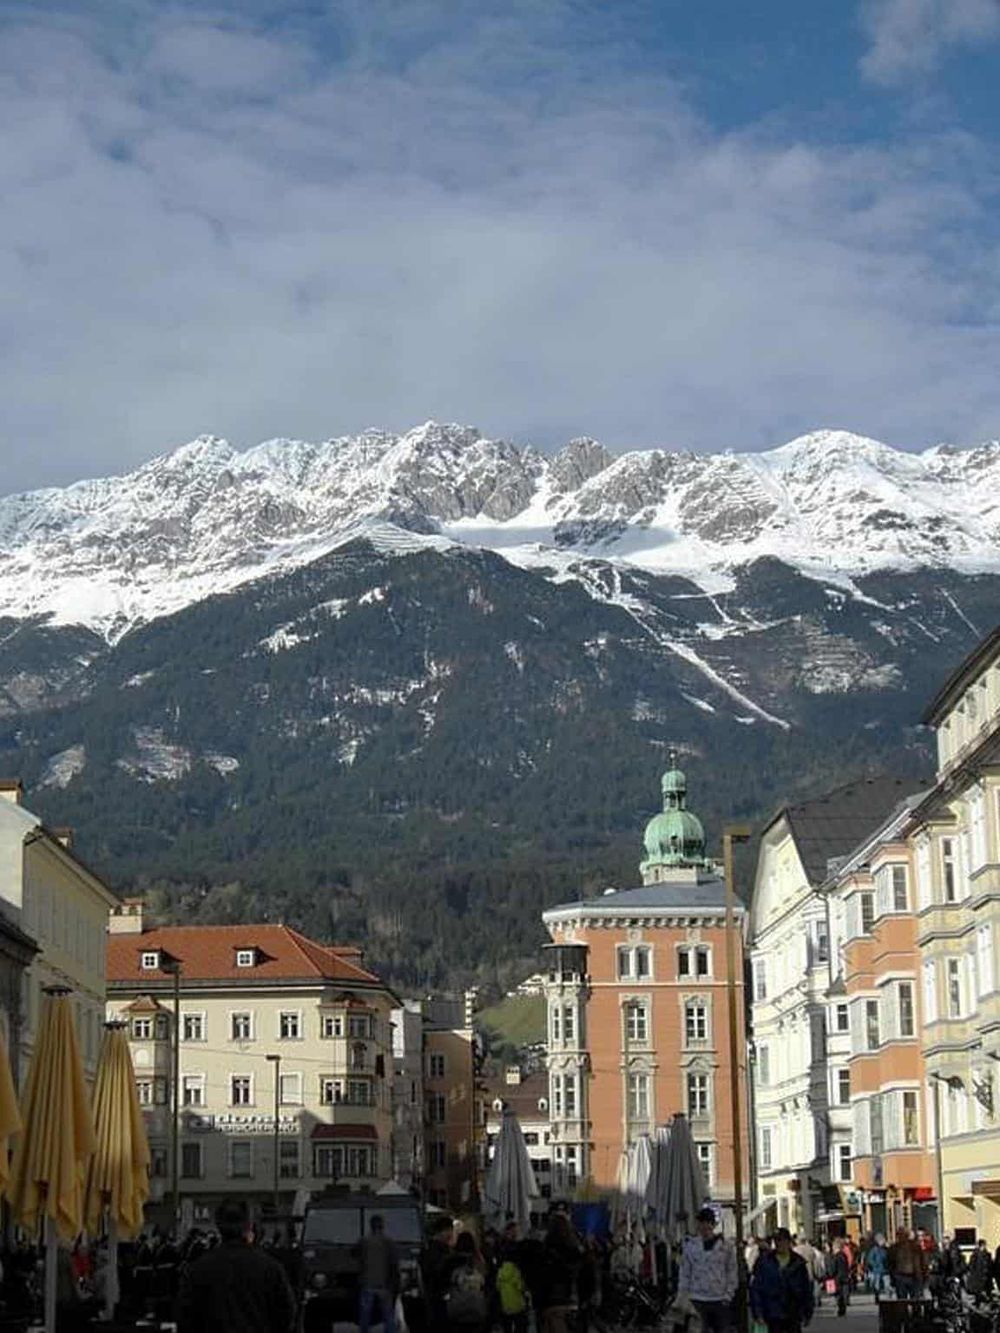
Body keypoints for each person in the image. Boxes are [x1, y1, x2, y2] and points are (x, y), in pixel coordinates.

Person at [176, 1200, 296, 1333]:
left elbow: (185, 1317)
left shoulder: (197, 1271)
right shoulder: (271, 1268)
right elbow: (286, 1313)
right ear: (249, 1227)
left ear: (218, 1226)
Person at [677, 1206, 737, 1333]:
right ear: (698, 1225)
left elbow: (732, 1271)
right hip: (697, 1299)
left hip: (720, 1299)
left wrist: (728, 1295)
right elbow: (685, 1272)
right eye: (702, 1223)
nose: (705, 1226)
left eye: (708, 1223)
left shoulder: (726, 1247)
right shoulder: (690, 1246)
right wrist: (684, 1295)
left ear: (713, 1225)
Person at [749, 1227, 814, 1333]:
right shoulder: (764, 1262)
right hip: (772, 1313)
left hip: (793, 1312)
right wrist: (758, 1313)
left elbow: (806, 1289)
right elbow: (756, 1288)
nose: (779, 1243)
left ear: (789, 1242)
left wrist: (807, 1312)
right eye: (777, 1240)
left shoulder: (798, 1262)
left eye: (782, 1240)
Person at [355, 1213, 400, 1333]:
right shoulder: (388, 1242)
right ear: (382, 1226)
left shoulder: (364, 1241)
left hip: (367, 1282)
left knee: (365, 1314)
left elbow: (354, 1254)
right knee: (388, 1315)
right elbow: (394, 1263)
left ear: (371, 1226)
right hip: (384, 1284)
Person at [538, 1212, 581, 1333]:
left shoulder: (546, 1248)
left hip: (551, 1300)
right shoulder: (575, 1247)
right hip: (572, 1297)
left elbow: (542, 1275)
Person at [447, 1230, 488, 1330]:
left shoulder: (451, 1261)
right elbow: (486, 1280)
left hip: (458, 1307)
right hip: (477, 1306)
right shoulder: (479, 1260)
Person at [421, 1216, 457, 1327]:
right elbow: (437, 1271)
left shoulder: (428, 1248)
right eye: (450, 1231)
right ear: (443, 1231)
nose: (451, 1235)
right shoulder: (440, 1250)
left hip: (432, 1296)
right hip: (439, 1295)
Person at [496, 1242, 529, 1333]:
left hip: (505, 1305)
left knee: (507, 1326)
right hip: (517, 1304)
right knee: (520, 1325)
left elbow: (498, 1287)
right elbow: (520, 1286)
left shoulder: (500, 1272)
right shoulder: (515, 1271)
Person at [887, 1227, 926, 1300]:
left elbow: (921, 1262)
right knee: (903, 1301)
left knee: (914, 1300)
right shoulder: (894, 1248)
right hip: (901, 1276)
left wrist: (922, 1275)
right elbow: (890, 1264)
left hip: (912, 1276)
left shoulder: (915, 1247)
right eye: (899, 1235)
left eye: (903, 1235)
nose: (901, 1237)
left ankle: (913, 1310)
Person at [827, 1239, 851, 1317]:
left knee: (838, 1294)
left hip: (837, 1277)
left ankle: (840, 1309)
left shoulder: (836, 1257)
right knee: (842, 1293)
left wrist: (830, 1274)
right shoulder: (844, 1255)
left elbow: (833, 1268)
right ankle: (843, 1309)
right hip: (844, 1276)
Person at [966, 1239, 994, 1304]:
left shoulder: (988, 1254)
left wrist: (991, 1273)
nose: (984, 1247)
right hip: (978, 1277)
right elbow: (971, 1266)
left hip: (986, 1277)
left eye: (984, 1245)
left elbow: (991, 1265)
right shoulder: (975, 1255)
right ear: (980, 1246)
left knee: (987, 1293)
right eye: (983, 1245)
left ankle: (988, 1305)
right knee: (978, 1292)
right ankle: (978, 1304)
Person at [865, 1234, 889, 1302]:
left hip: (885, 1270)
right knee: (877, 1285)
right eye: (882, 1240)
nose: (883, 1242)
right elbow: (870, 1259)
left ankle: (888, 1297)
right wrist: (875, 1265)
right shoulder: (874, 1250)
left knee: (887, 1285)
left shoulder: (886, 1249)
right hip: (877, 1270)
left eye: (884, 1240)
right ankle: (877, 1297)